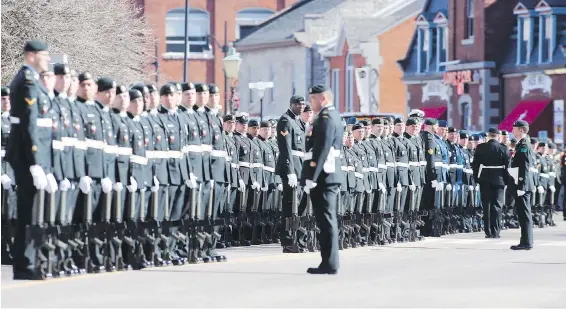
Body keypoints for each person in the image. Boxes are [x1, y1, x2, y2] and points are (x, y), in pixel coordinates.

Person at [6, 40, 54, 279]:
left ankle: (29, 261)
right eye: (44, 55)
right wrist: (35, 161)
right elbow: (29, 124)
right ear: (32, 56)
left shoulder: (33, 80)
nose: (47, 59)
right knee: (28, 211)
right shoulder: (27, 81)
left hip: (32, 157)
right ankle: (25, 264)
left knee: (33, 211)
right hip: (27, 157)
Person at [301, 85, 344, 275]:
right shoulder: (331, 115)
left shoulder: (326, 117)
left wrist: (313, 176)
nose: (310, 103)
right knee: (326, 220)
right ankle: (328, 261)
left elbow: (322, 148)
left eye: (313, 99)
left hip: (324, 176)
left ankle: (330, 263)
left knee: (326, 220)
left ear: (323, 99)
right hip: (327, 175)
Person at [276, 95, 306, 253]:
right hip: (292, 169)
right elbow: (285, 148)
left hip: (300, 168)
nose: (301, 107)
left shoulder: (299, 122)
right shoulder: (286, 120)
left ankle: (297, 239)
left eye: (303, 104)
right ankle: (288, 240)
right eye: (298, 104)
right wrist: (290, 171)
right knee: (290, 206)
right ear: (291, 105)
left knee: (299, 206)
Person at [472, 128, 509, 239]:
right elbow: (508, 166)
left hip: (485, 179)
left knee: (486, 205)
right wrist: (506, 181)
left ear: (488, 136)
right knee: (497, 205)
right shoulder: (503, 148)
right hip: (499, 179)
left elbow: (475, 165)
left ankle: (488, 231)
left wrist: (477, 179)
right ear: (498, 136)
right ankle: (496, 231)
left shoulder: (480, 147)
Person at [510, 120, 534, 250]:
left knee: (525, 214)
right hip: (521, 183)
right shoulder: (521, 144)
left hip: (523, 185)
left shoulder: (524, 145)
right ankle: (524, 241)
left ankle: (527, 242)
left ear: (521, 130)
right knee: (523, 214)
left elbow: (524, 167)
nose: (513, 131)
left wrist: (522, 186)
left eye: (514, 129)